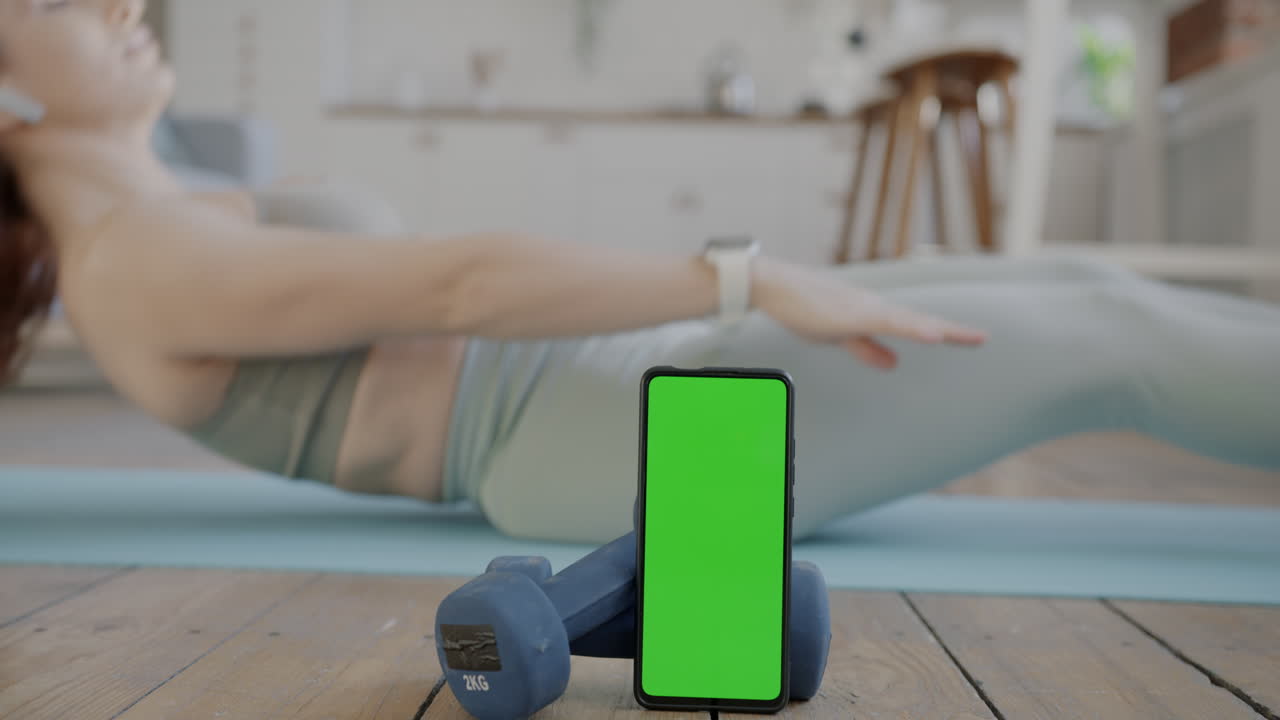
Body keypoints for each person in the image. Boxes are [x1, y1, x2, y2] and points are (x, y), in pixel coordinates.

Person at [3, 0, 1277, 544]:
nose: (118, 3)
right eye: (58, 1)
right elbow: (457, 287)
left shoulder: (170, 198)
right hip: (592, 440)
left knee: (1063, 277)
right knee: (1107, 339)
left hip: (603, 382)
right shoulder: (134, 264)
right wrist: (745, 275)